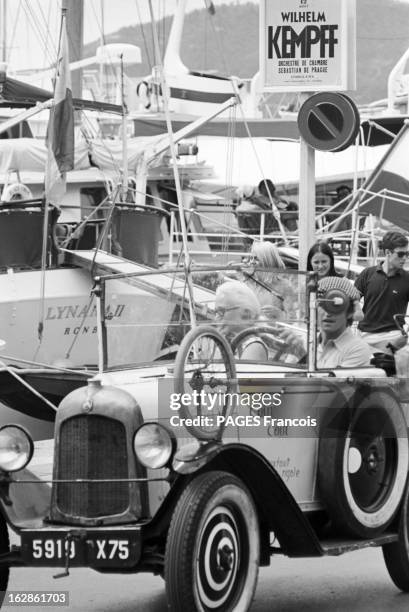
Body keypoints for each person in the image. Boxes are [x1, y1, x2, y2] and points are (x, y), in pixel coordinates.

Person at [279, 276, 373, 368]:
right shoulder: (306, 342)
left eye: (335, 307)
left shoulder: (358, 350)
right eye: (322, 305)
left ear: (350, 312)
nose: (328, 313)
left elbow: (325, 383)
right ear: (314, 308)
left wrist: (302, 355)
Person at [355, 230, 409, 353]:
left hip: (393, 337)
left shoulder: (407, 279)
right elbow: (352, 300)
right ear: (387, 253)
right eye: (400, 254)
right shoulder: (367, 274)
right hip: (363, 336)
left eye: (407, 254)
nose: (405, 258)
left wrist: (405, 335)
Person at [241, 241, 297, 323]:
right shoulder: (247, 283)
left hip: (273, 332)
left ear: (267, 261)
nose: (251, 262)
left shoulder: (285, 286)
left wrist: (280, 315)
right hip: (251, 331)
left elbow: (293, 320)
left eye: (256, 258)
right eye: (251, 258)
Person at [214, 280, 268, 360]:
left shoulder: (254, 346)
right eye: (215, 312)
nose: (216, 318)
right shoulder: (226, 342)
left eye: (221, 311)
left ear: (246, 314)